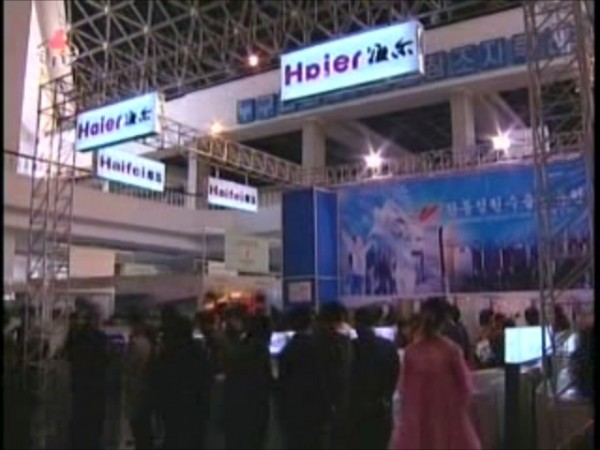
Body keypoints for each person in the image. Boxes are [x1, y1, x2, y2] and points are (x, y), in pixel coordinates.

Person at [393, 297, 481, 450]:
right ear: (444, 321)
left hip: (418, 420)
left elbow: (403, 389)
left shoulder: (411, 352)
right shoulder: (451, 350)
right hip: (449, 417)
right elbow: (466, 387)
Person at [154, 316, 212, 449]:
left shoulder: (168, 354)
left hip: (173, 407)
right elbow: (206, 379)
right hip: (195, 408)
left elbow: (158, 379)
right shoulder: (198, 352)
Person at [349, 305, 400, 450]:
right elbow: (394, 376)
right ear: (376, 322)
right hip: (381, 410)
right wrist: (386, 398)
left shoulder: (349, 347)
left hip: (355, 413)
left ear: (355, 323)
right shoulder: (388, 346)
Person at [278, 306, 327, 450]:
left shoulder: (287, 350)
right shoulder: (319, 347)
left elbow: (282, 383)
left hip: (293, 411)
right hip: (315, 411)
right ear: (311, 322)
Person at [223, 311, 273, 450]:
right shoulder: (260, 349)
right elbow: (267, 378)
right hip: (256, 406)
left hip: (235, 407)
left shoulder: (237, 347)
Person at [65, 309, 108, 450]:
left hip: (81, 386)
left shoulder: (77, 338)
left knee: (80, 419)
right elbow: (105, 361)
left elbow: (70, 356)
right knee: (93, 423)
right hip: (96, 387)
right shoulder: (100, 339)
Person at [313, 302, 354, 449]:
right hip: (337, 405)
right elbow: (342, 373)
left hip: (315, 407)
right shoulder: (341, 342)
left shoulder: (312, 341)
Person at [123, 315, 155, 449]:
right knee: (145, 426)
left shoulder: (135, 344)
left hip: (136, 388)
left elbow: (129, 366)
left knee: (137, 425)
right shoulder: (149, 343)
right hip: (146, 388)